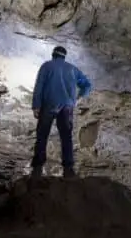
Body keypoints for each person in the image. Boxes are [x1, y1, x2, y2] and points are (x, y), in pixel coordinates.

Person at [30, 46, 92, 178]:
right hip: (67, 106)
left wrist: (36, 106)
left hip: (49, 104)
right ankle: (68, 168)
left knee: (42, 135)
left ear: (53, 55)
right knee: (66, 137)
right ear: (64, 56)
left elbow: (39, 85)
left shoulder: (46, 66)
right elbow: (87, 84)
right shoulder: (72, 68)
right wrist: (79, 98)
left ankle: (38, 166)